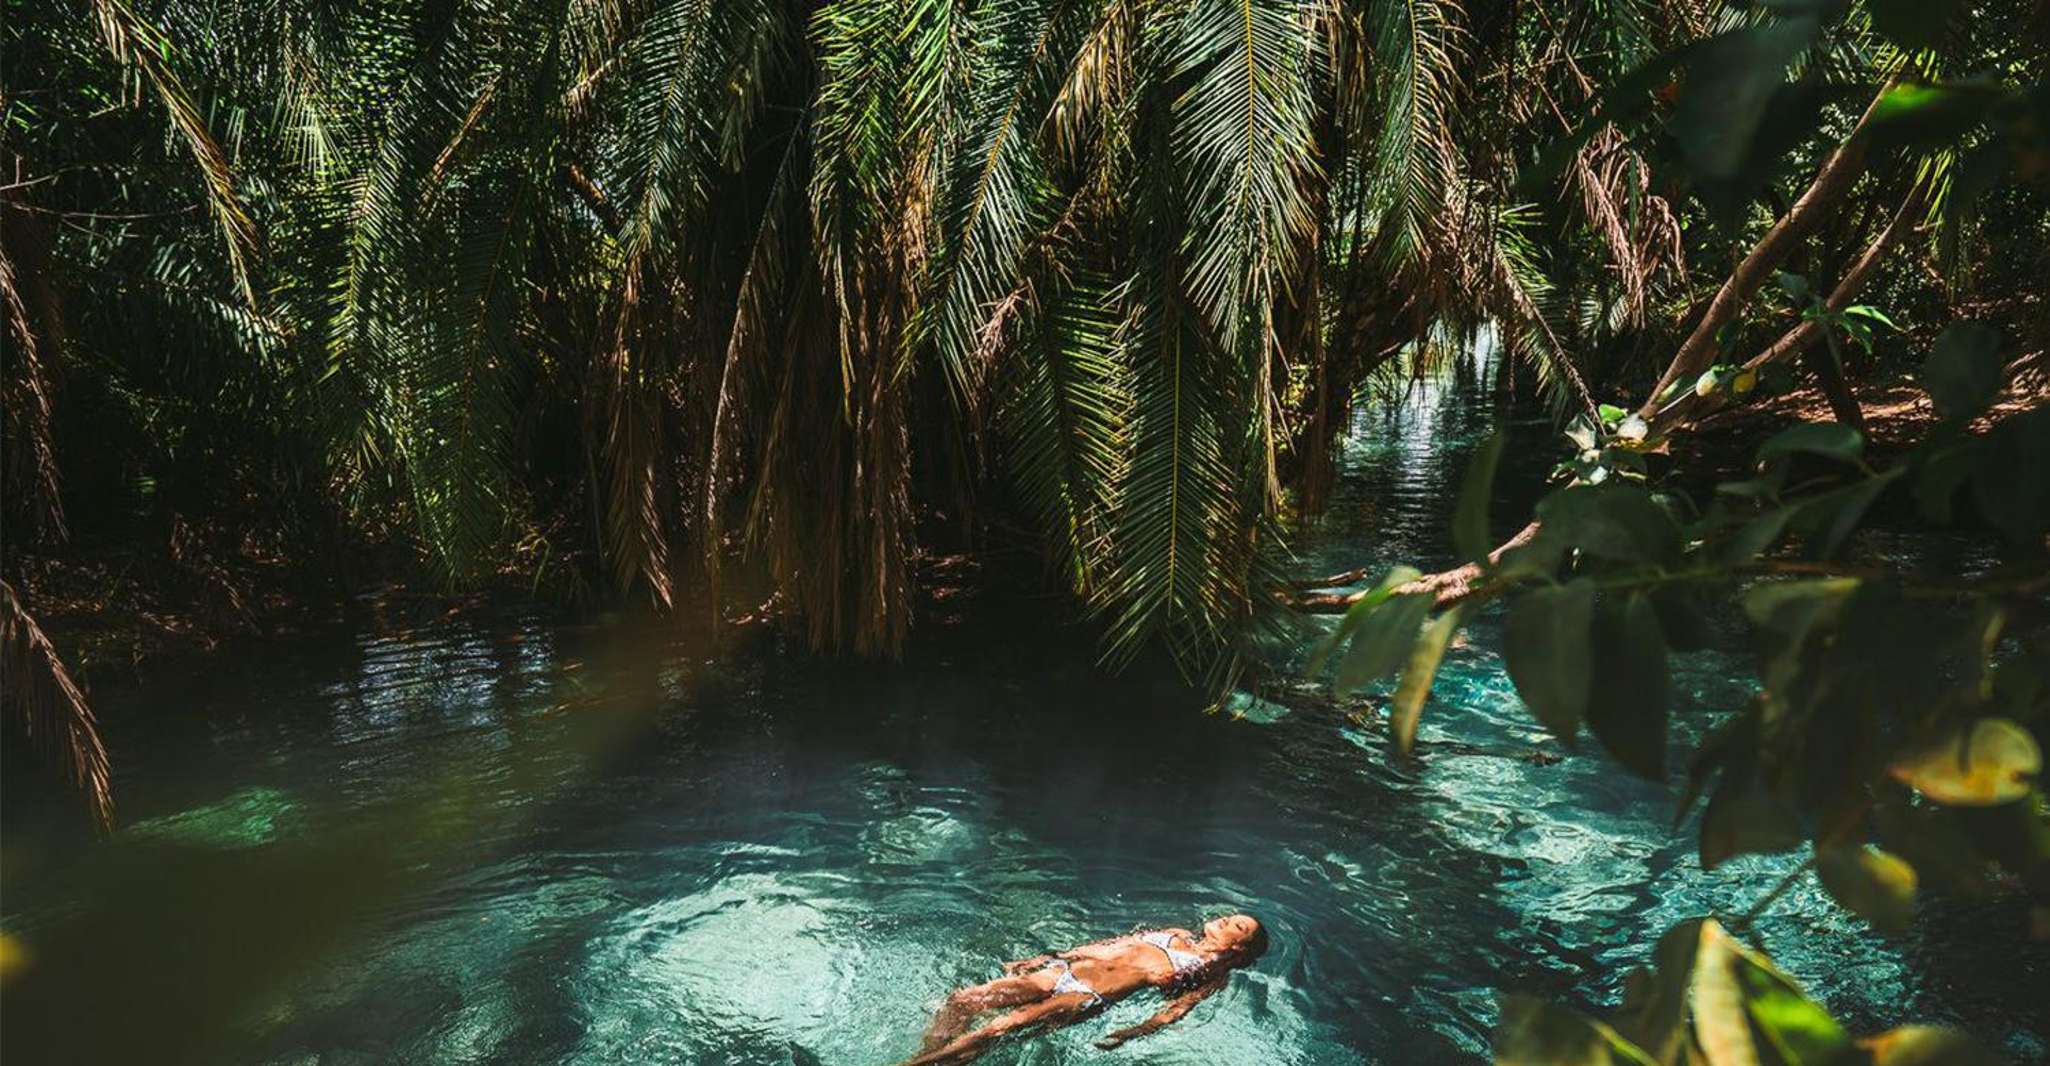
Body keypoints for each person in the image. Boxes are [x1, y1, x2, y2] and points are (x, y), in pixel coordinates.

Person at [901, 914, 1268, 1065]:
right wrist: (1051, 956)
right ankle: (929, 1056)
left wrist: (1131, 1033)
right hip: (1058, 973)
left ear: (1239, 948)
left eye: (1237, 926)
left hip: (1084, 997)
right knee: (962, 1001)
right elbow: (1111, 945)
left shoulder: (1209, 975)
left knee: (997, 1029)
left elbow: (1175, 1012)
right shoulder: (1177, 933)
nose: (1226, 918)